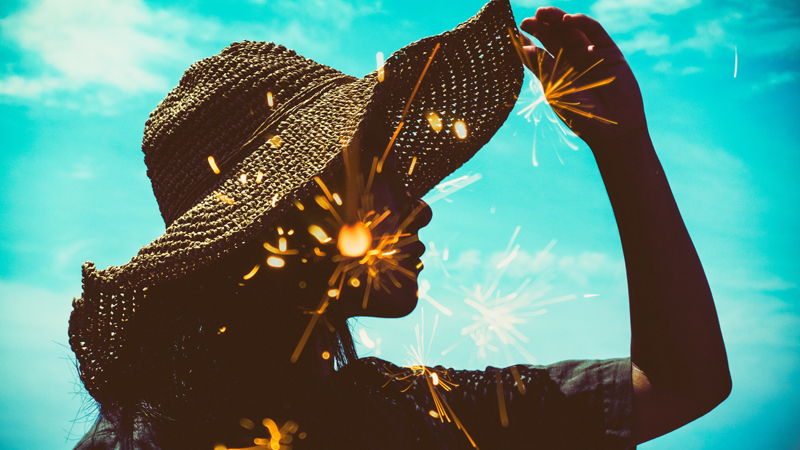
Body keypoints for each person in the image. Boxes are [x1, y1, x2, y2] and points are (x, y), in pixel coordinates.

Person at [71, 2, 731, 449]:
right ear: (284, 220)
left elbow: (677, 383)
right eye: (375, 174)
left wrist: (623, 147)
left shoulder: (411, 415)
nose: (419, 205)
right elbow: (678, 384)